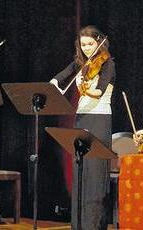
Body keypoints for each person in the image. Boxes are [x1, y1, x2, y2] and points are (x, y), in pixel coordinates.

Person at [50, 25, 115, 230]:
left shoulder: (108, 63)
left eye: (90, 44)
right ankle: (78, 224)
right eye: (83, 44)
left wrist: (84, 87)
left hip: (100, 119)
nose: (87, 48)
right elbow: (62, 75)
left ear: (99, 43)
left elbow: (99, 90)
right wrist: (53, 83)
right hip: (82, 118)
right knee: (80, 171)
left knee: (94, 175)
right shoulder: (81, 63)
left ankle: (93, 225)